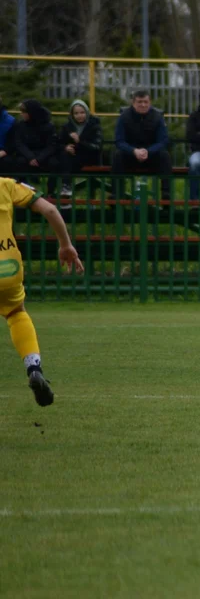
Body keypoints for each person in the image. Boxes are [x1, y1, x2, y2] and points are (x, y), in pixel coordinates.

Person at [0, 176, 84, 407]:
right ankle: (33, 368)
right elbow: (50, 210)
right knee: (16, 313)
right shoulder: (5, 185)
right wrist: (66, 245)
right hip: (7, 269)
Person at [112, 90, 171, 199]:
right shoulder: (124, 117)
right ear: (133, 103)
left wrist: (148, 151)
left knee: (165, 156)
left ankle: (166, 195)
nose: (143, 105)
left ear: (150, 102)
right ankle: (116, 194)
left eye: (145, 102)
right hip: (130, 156)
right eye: (139, 102)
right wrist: (133, 151)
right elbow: (119, 141)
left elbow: (163, 141)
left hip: (151, 156)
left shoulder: (158, 117)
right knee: (118, 155)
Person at [10, 100, 61, 192]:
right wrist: (30, 157)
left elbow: (52, 145)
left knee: (55, 163)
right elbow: (19, 143)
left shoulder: (48, 126)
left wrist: (39, 158)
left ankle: (50, 191)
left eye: (24, 112)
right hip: (27, 156)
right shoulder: (20, 125)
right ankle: (25, 190)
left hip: (44, 156)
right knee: (18, 162)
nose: (21, 114)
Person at [58, 100, 103, 198]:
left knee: (66, 160)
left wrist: (80, 142)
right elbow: (58, 143)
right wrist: (66, 147)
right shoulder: (67, 127)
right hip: (72, 159)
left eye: (82, 112)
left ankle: (66, 187)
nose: (79, 115)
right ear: (72, 114)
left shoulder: (94, 126)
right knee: (64, 156)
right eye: (76, 113)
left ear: (86, 112)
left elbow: (97, 147)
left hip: (90, 159)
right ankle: (65, 187)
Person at [0, 93, 16, 173]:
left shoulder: (10, 121)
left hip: (3, 153)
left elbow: (13, 143)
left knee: (7, 162)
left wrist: (4, 152)